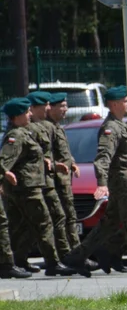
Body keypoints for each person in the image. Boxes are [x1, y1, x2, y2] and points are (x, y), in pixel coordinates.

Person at [64, 86, 127, 274]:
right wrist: (102, 183)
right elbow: (103, 157)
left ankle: (76, 257)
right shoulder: (111, 128)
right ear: (114, 104)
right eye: (125, 101)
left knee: (110, 223)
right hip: (122, 182)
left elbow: (122, 155)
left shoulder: (121, 125)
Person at [2, 97, 84, 276]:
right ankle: (53, 263)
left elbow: (34, 161)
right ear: (17, 116)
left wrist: (54, 165)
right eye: (26, 112)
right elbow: (5, 161)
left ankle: (19, 261)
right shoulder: (15, 136)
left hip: (30, 185)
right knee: (44, 223)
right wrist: (4, 174)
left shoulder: (24, 132)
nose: (30, 114)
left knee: (26, 226)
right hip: (26, 188)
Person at [26, 92, 71, 260]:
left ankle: (61, 258)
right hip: (36, 182)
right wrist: (51, 163)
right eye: (44, 105)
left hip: (48, 180)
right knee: (52, 218)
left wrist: (63, 162)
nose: (48, 107)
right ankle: (58, 259)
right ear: (33, 108)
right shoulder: (28, 130)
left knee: (57, 217)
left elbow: (52, 152)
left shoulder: (47, 127)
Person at [46, 93, 83, 251]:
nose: (65, 109)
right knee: (62, 218)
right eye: (61, 106)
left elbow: (63, 152)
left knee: (69, 216)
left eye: (66, 105)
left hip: (64, 181)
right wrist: (56, 166)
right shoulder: (47, 128)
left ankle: (75, 252)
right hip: (55, 181)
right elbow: (43, 155)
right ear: (50, 108)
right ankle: (70, 253)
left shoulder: (58, 127)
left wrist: (72, 163)